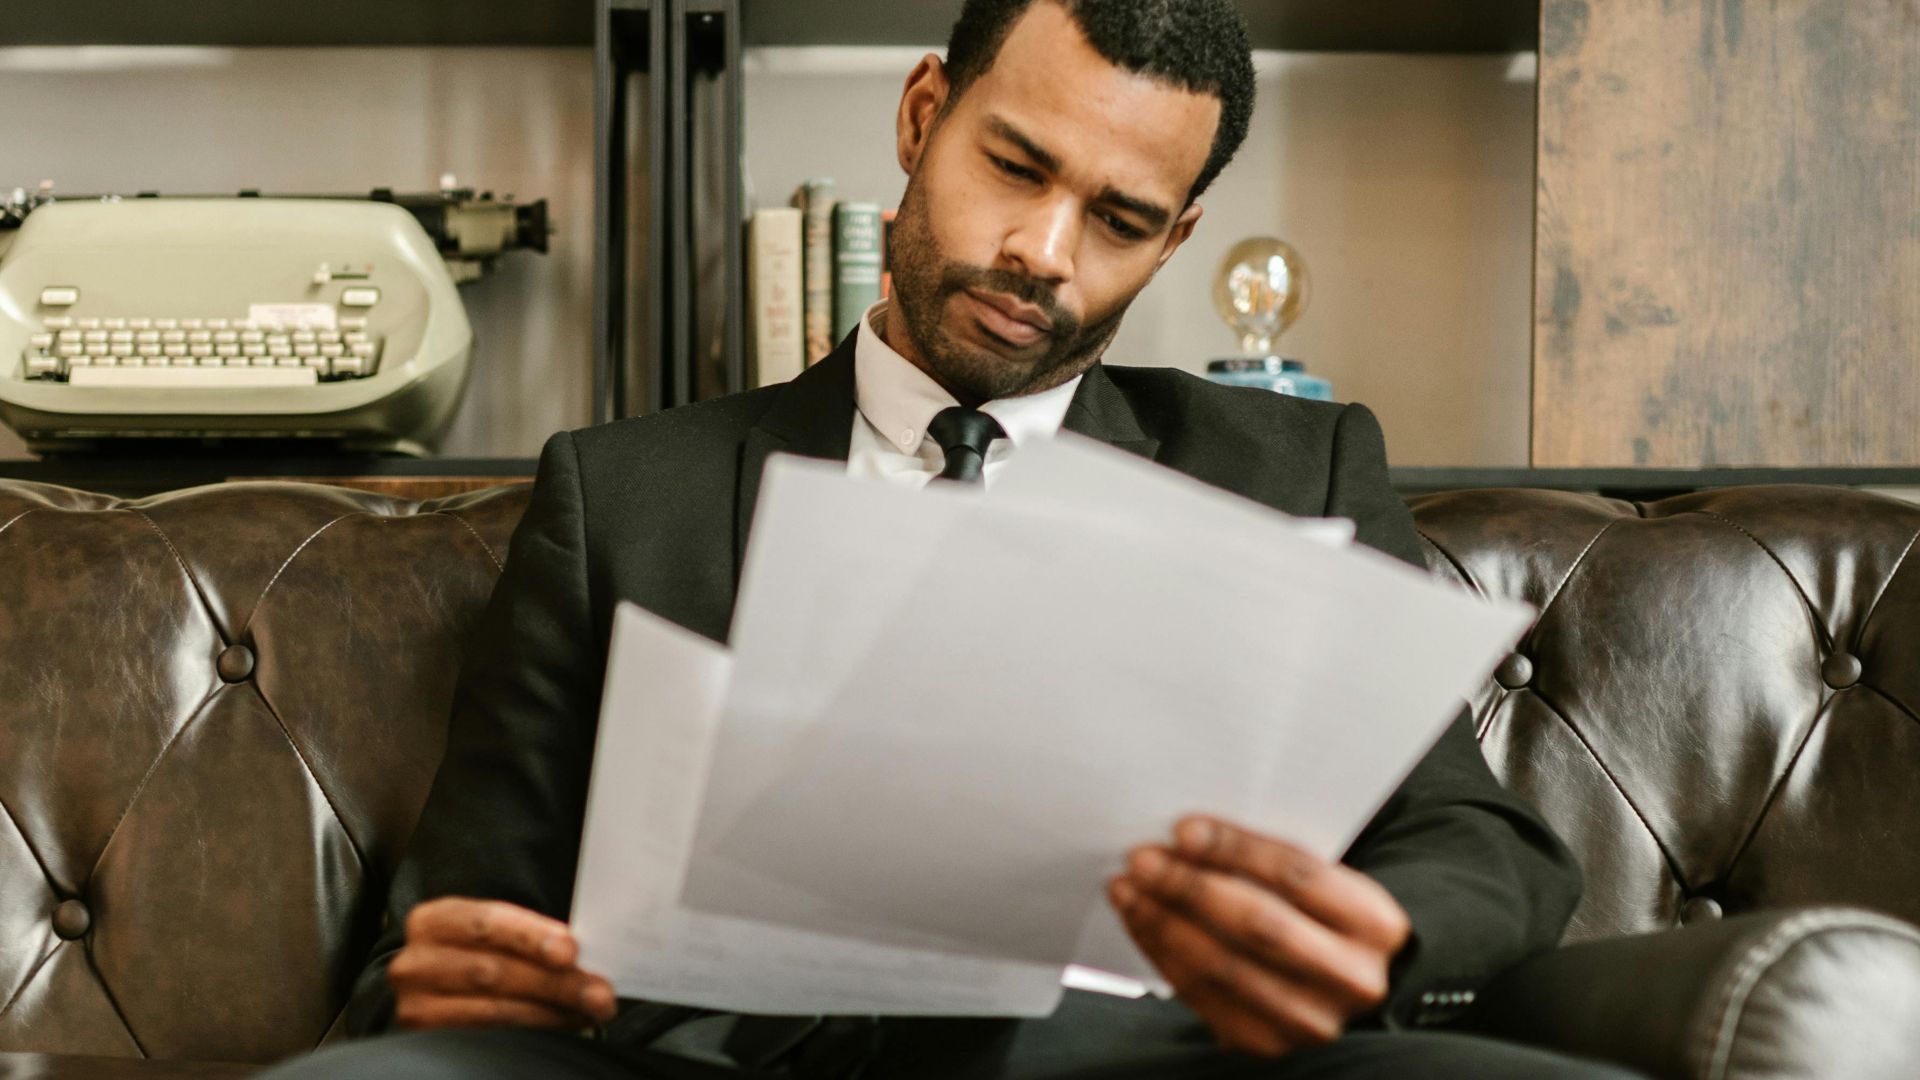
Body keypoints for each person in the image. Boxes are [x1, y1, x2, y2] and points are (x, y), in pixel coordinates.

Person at [265, 2, 1637, 1077]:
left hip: (1140, 1065)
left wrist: (1377, 937)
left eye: (1120, 219)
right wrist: (447, 976)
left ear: (1178, 241)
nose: (1044, 250)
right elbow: (441, 934)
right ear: (925, 113)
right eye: (1017, 165)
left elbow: (1482, 839)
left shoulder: (1289, 466)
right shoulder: (618, 496)